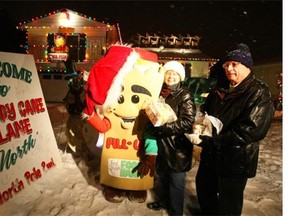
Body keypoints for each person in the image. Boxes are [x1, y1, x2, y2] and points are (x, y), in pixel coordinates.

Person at [195, 43, 275, 215]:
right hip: (211, 156)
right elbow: (205, 113)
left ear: (247, 67)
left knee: (229, 204)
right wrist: (200, 126)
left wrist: (215, 140)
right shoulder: (219, 90)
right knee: (204, 192)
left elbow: (251, 130)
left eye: (234, 64)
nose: (229, 68)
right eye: (226, 65)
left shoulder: (259, 92)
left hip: (235, 160)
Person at [147, 60, 196, 215]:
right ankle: (163, 201)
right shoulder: (160, 92)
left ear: (180, 77)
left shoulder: (185, 95)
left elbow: (187, 122)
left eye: (174, 74)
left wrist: (164, 128)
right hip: (162, 144)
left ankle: (176, 211)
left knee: (176, 182)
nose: (171, 76)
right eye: (168, 73)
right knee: (163, 177)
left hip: (177, 147)